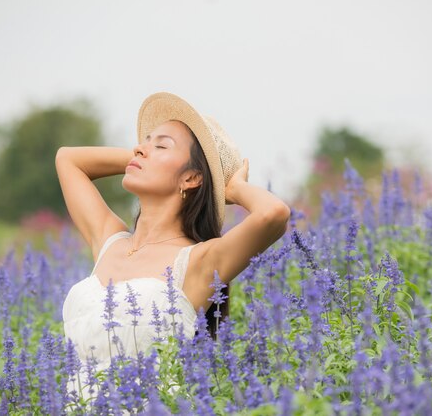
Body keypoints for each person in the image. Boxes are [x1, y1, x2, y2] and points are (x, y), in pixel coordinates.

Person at [57, 92, 290, 399]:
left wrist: (230, 185)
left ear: (192, 177)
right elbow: (67, 159)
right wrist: (142, 155)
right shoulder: (109, 241)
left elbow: (274, 214)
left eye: (161, 145)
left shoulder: (198, 262)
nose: (140, 149)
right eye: (144, 142)